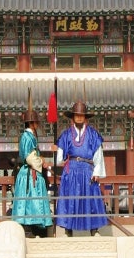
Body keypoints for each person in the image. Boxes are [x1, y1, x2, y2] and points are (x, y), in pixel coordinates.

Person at [54, 101, 108, 237]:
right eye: (76, 115)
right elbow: (59, 158)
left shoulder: (93, 134)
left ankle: (94, 230)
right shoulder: (65, 135)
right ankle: (68, 230)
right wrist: (56, 151)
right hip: (71, 171)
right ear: (73, 117)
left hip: (87, 170)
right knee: (69, 199)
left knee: (91, 199)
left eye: (81, 115)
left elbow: (98, 154)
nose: (79, 117)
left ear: (85, 117)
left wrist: (97, 172)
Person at [12, 109, 53, 238]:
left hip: (32, 172)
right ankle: (29, 227)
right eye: (36, 122)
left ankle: (36, 227)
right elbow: (30, 157)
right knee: (30, 200)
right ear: (32, 123)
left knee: (32, 199)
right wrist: (42, 163)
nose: (37, 125)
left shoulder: (29, 136)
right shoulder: (27, 137)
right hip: (30, 173)